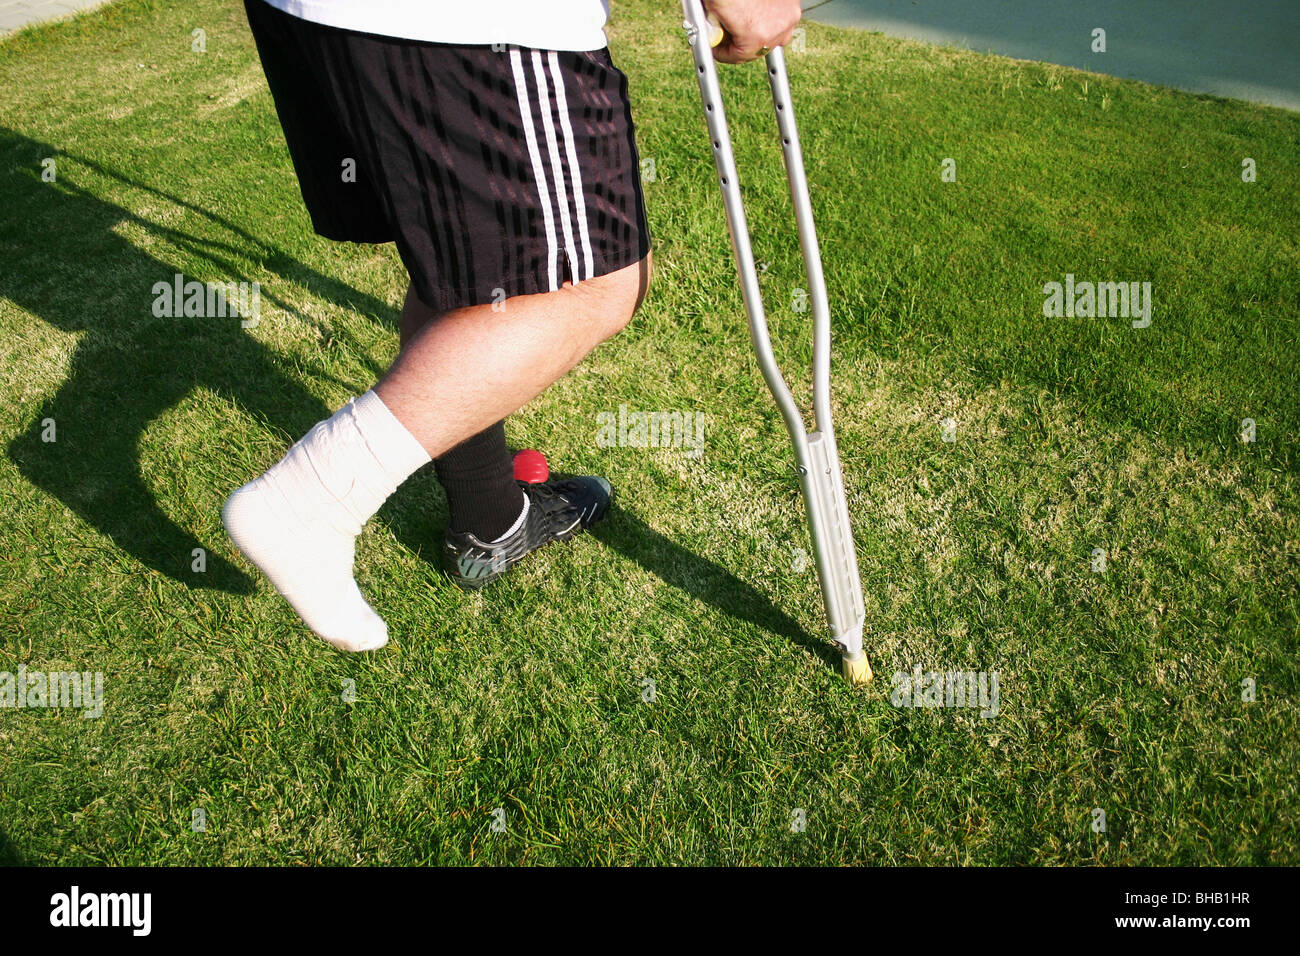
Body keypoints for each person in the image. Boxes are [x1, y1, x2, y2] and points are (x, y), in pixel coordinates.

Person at [224, 0, 803, 652]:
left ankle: (489, 522)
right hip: (472, 23)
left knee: (466, 265)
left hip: (316, 14)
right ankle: (310, 501)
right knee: (595, 286)